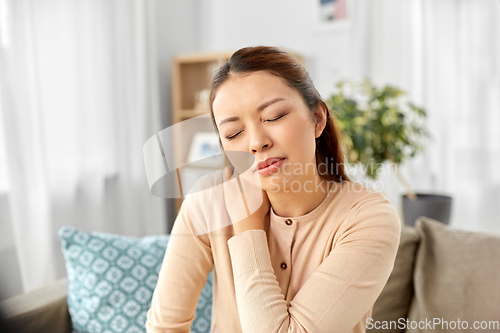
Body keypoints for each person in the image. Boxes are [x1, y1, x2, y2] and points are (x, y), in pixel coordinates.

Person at [146, 46, 401, 333]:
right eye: (233, 133)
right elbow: (164, 326)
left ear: (317, 118)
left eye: (274, 116)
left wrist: (247, 227)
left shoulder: (368, 219)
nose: (256, 142)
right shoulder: (208, 201)